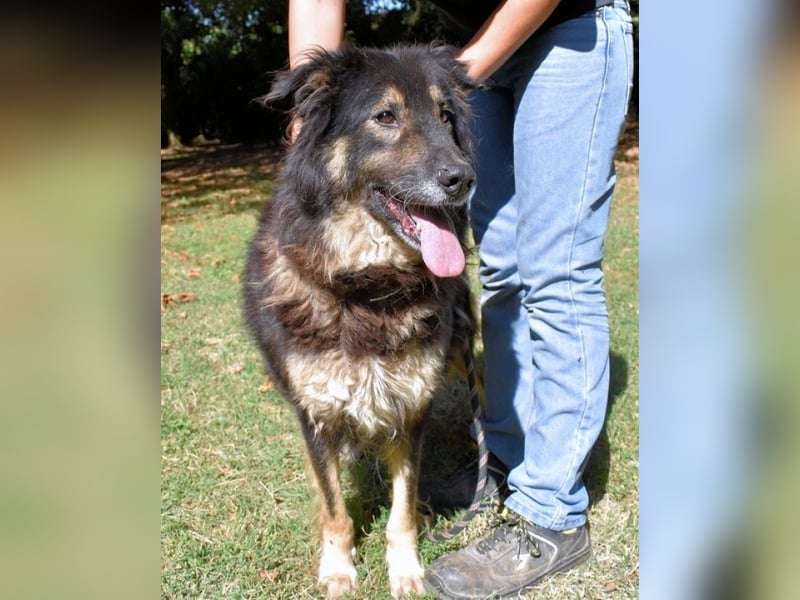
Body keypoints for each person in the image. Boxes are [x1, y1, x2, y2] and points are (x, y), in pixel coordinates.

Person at [286, 0, 633, 597]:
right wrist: (307, 110)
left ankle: (551, 515)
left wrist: (447, 84)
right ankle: (505, 463)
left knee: (556, 273)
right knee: (502, 271)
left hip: (566, 29)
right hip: (465, 52)